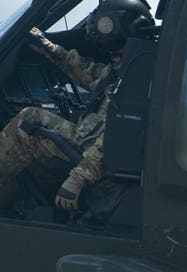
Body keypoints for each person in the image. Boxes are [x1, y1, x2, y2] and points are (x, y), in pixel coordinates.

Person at [0, 0, 154, 212]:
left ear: (110, 25)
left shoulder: (138, 78)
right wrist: (50, 48)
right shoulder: (127, 66)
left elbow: (119, 135)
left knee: (28, 122)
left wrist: (80, 176)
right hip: (86, 145)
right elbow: (89, 73)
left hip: (88, 153)